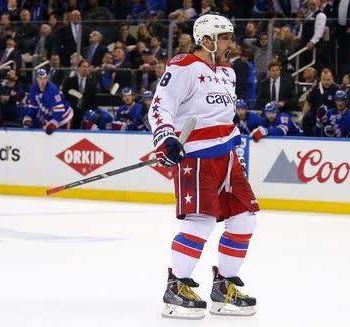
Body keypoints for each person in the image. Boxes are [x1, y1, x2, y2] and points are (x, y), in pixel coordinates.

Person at [148, 14, 259, 319]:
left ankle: (224, 288)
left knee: (245, 219)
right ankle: (176, 288)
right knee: (201, 221)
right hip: (197, 157)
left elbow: (222, 116)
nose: (230, 44)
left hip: (228, 156)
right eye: (225, 38)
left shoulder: (227, 71)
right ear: (207, 41)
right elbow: (160, 106)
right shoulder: (183, 67)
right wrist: (165, 138)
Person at [23, 69, 73, 134]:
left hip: (64, 117)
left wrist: (54, 123)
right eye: (40, 78)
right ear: (36, 79)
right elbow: (33, 106)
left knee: (64, 141)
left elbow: (59, 109)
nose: (43, 81)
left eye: (44, 78)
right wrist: (29, 117)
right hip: (50, 116)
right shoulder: (33, 89)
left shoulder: (52, 89)